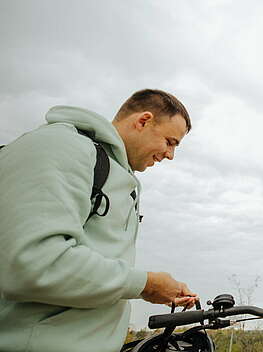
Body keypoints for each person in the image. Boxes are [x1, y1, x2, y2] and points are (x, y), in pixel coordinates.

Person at [0, 89, 198, 352]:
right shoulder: (60, 146)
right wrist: (146, 284)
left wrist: (150, 288)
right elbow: (33, 263)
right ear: (143, 121)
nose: (170, 155)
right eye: (170, 142)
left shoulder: (118, 175)